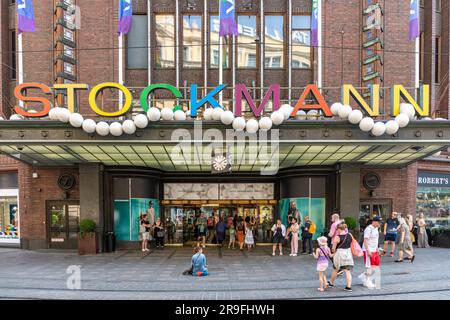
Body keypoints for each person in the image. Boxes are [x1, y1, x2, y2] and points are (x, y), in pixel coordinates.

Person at [328, 223, 354, 292]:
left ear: (339, 229)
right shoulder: (349, 235)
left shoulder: (337, 237)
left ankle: (331, 283)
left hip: (339, 254)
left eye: (337, 229)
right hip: (348, 253)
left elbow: (333, 249)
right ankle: (348, 287)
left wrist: (332, 253)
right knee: (347, 271)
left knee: (335, 269)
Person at [359, 216, 381, 289]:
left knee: (375, 266)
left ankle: (363, 276)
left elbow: (376, 239)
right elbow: (365, 240)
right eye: (379, 222)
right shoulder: (368, 229)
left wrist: (377, 248)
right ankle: (367, 281)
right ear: (374, 222)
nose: (380, 224)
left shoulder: (376, 228)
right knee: (369, 266)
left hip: (374, 249)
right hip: (368, 250)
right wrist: (368, 250)